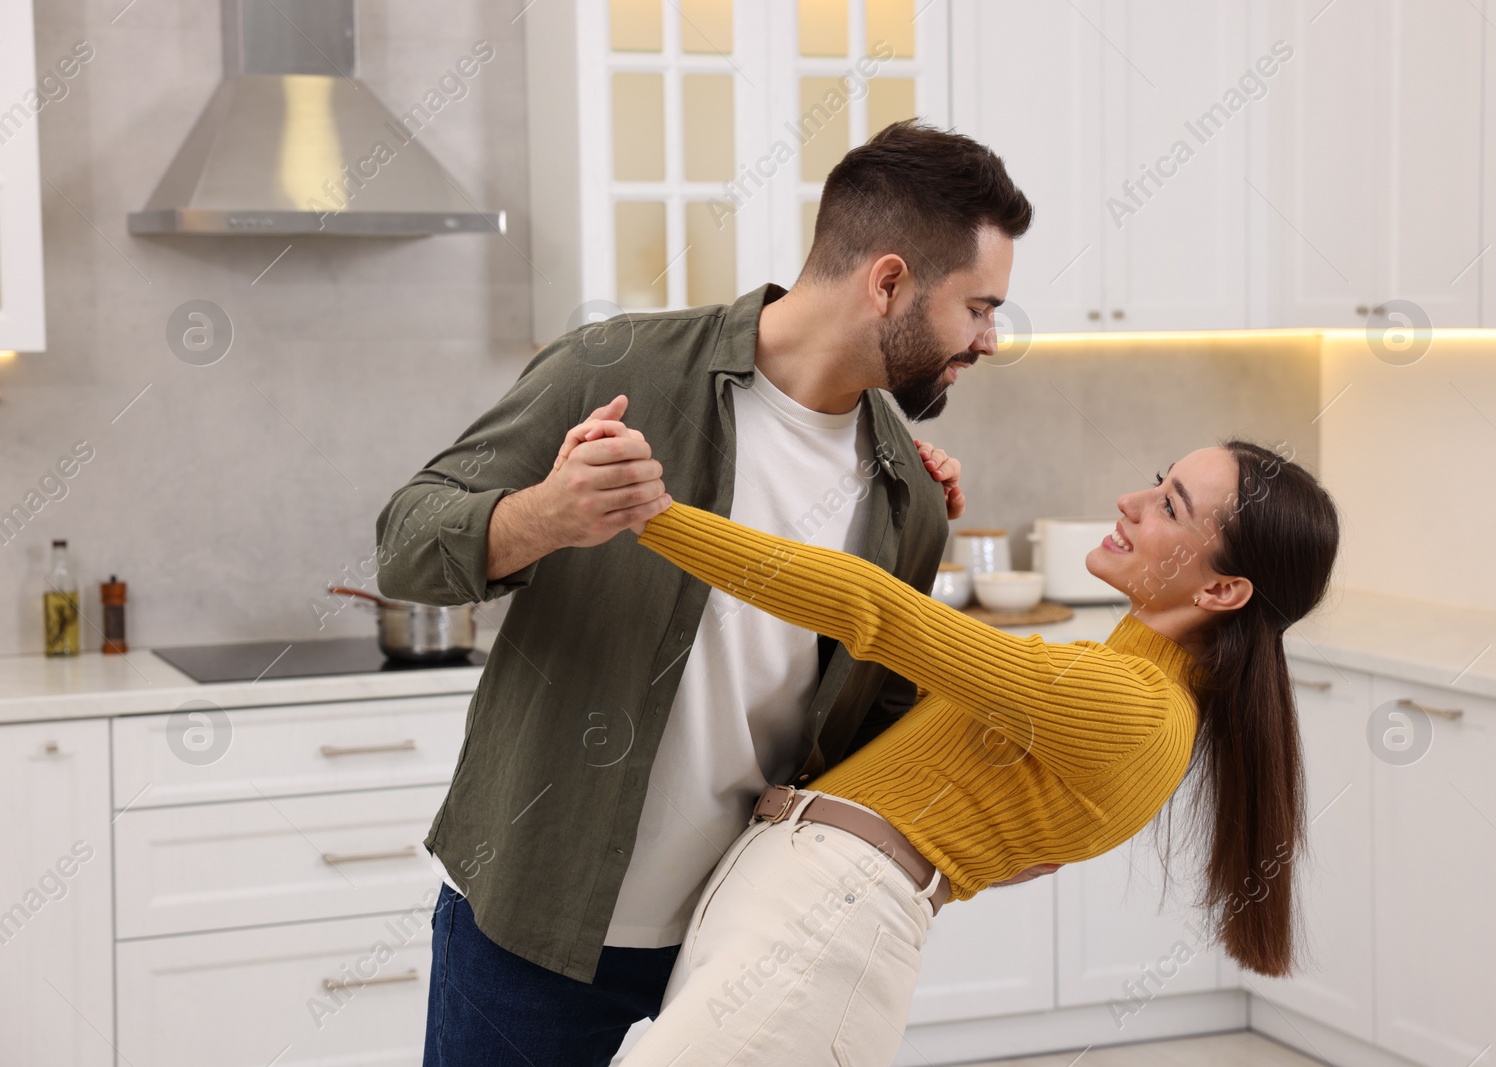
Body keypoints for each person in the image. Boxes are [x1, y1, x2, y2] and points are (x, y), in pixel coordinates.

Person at [374, 119, 1033, 1065]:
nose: (990, 338)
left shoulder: (912, 492)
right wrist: (547, 514)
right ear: (887, 282)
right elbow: (405, 538)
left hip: (750, 937)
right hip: (536, 920)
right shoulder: (619, 369)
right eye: (978, 306)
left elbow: (877, 732)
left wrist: (1001, 812)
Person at [554, 436, 1338, 1066]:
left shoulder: (1128, 703)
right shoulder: (1106, 683)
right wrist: (916, 508)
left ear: (1222, 590)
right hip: (801, 913)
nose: (1131, 501)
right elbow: (914, 688)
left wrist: (650, 515)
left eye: (1170, 505)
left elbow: (879, 616)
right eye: (1157, 479)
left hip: (820, 924)